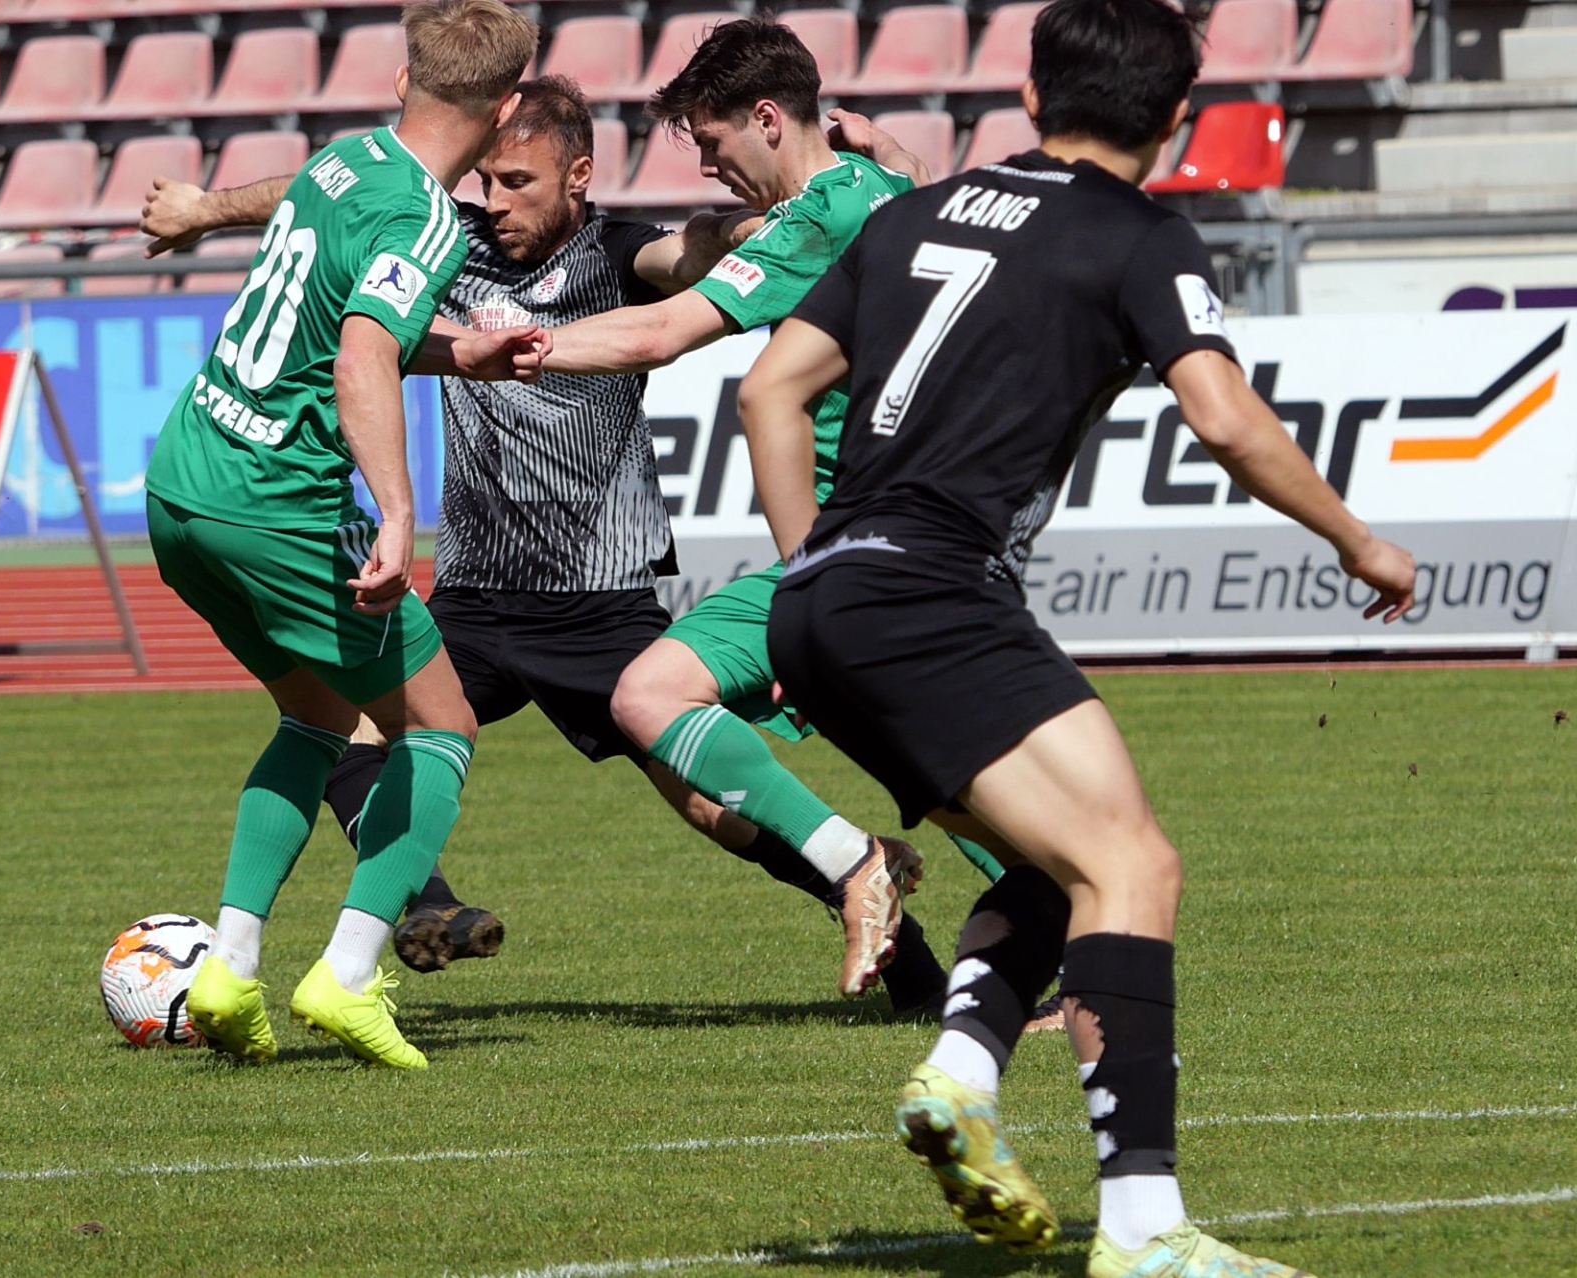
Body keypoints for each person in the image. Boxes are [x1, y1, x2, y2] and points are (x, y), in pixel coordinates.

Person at [737, 0, 1417, 1271]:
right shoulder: (1142, 237)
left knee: (1058, 872)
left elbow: (769, 388)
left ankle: (958, 1074)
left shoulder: (911, 212)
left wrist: (806, 567)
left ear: (1033, 94)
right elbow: (1221, 420)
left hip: (825, 593)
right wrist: (1355, 538)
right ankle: (1147, 1231)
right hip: (933, 593)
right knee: (1136, 868)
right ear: (1174, 119)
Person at [140, 72, 967, 1014]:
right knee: (358, 733)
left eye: (519, 184)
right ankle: (427, 907)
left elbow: (705, 248)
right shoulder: (440, 239)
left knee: (706, 802)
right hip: (477, 595)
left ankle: (913, 965)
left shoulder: (621, 255)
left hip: (598, 602)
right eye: (485, 181)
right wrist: (208, 208)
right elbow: (319, 191)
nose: (494, 204)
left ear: (579, 176)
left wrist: (809, 200)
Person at [537, 15, 1004, 998]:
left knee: (653, 697)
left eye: (712, 144)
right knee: (929, 771)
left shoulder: (824, 216)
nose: (709, 167)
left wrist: (495, 346)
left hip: (858, 550)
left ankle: (872, 872)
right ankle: (1003, 931)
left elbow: (662, 332)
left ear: (765, 117)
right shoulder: (885, 189)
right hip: (914, 532)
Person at [141, 0, 540, 1070]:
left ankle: (227, 972)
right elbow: (361, 355)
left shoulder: (339, 160)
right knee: (442, 727)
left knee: (315, 719)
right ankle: (349, 978)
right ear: (507, 112)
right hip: (275, 504)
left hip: (184, 487)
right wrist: (402, 514)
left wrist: (460, 354)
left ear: (402, 76)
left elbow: (347, 325)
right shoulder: (425, 219)